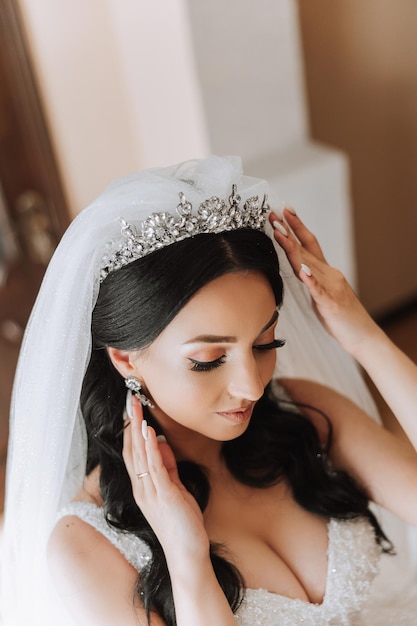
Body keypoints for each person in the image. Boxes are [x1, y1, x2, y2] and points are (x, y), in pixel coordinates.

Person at [1, 155, 417, 625]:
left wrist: (366, 338)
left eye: (265, 343)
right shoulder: (86, 542)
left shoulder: (304, 413)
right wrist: (186, 558)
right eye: (208, 360)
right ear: (124, 357)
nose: (252, 386)